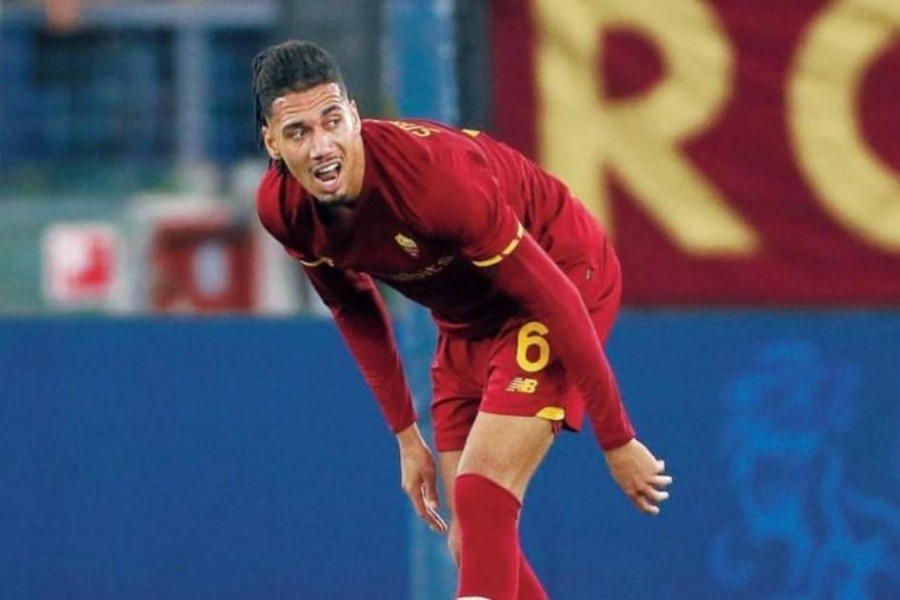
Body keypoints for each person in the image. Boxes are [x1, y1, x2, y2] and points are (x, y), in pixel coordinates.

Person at [252, 40, 673, 600]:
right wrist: (407, 437)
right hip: (466, 318)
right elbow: (352, 306)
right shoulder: (282, 209)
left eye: (332, 120)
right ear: (271, 144)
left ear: (355, 114)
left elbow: (557, 298)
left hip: (562, 275)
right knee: (470, 545)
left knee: (481, 493)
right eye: (299, 132)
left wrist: (617, 437)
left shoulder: (434, 181)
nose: (323, 146)